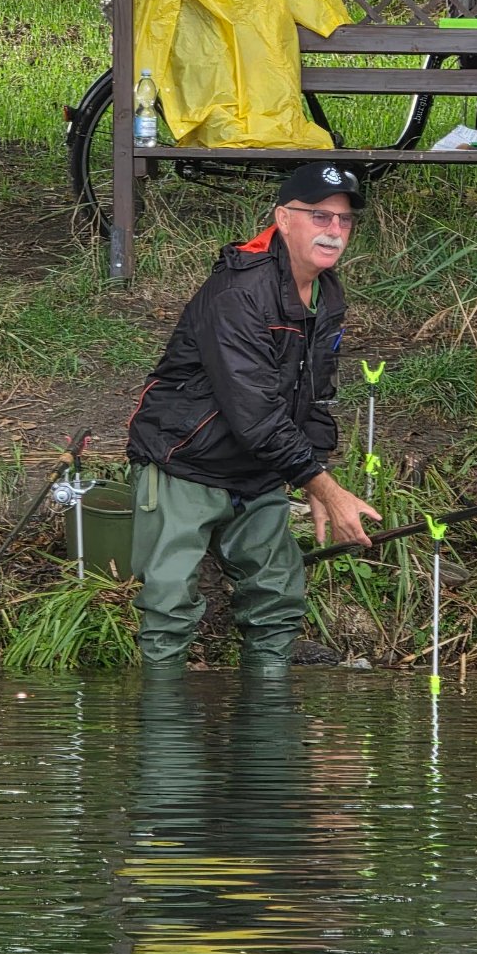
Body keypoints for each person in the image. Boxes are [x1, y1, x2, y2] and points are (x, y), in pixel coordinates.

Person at [126, 161, 381, 670]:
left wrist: (316, 476)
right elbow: (255, 412)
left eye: (344, 221)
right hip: (184, 460)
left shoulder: (327, 291)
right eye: (319, 217)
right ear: (283, 219)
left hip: (257, 469)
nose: (334, 231)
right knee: (170, 604)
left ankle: (266, 732)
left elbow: (316, 394)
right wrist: (322, 486)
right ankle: (160, 728)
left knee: (278, 600)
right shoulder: (239, 292)